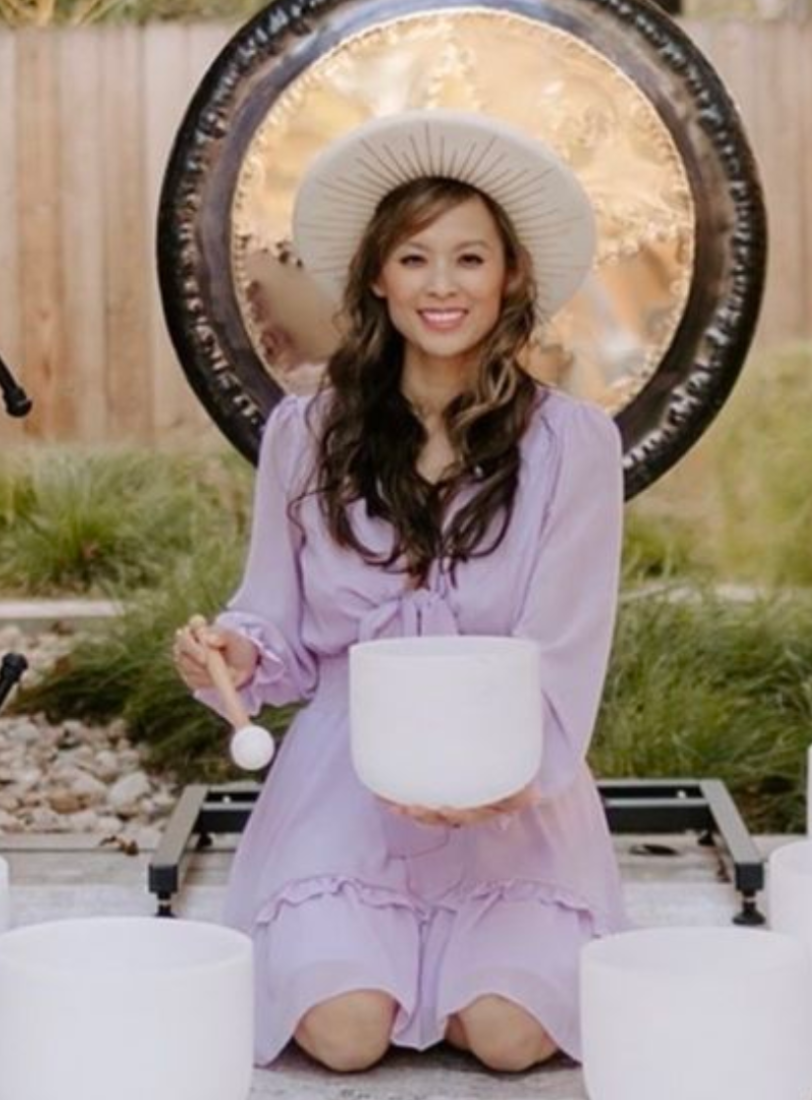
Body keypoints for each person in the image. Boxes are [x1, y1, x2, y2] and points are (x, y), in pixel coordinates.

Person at [173, 109, 628, 1075]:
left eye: (470, 259)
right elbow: (273, 619)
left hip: (510, 781)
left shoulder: (573, 446)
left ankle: (466, 975)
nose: (442, 285)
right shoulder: (306, 435)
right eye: (415, 258)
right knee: (345, 1035)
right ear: (378, 276)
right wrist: (233, 654)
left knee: (506, 1035)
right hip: (348, 776)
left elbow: (568, 643)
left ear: (510, 276)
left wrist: (505, 782)